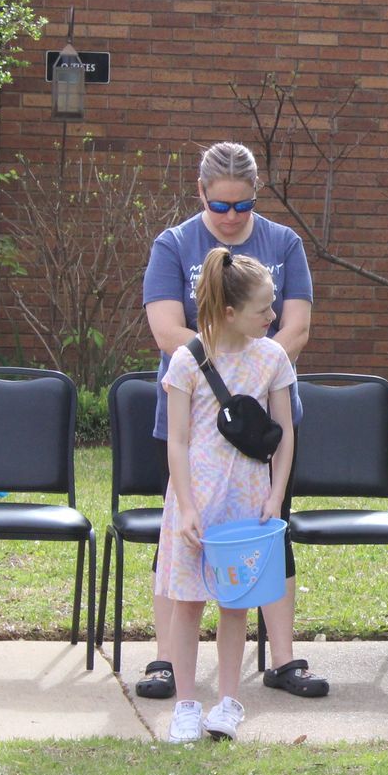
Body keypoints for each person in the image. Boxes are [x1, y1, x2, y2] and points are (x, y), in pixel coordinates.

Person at [142, 142, 326, 700]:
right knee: (184, 541)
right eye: (220, 206)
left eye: (242, 206)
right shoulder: (174, 244)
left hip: (264, 421)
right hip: (196, 422)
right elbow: (166, 328)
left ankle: (283, 658)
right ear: (200, 193)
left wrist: (259, 373)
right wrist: (221, 377)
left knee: (268, 536)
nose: (231, 218)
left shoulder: (283, 243)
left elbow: (294, 327)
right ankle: (167, 662)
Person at [155, 247, 297, 743]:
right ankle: (186, 705)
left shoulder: (272, 357)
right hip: (197, 502)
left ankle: (229, 703)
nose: (273, 316)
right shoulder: (187, 361)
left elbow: (284, 432)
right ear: (231, 313)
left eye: (273, 305)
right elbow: (177, 439)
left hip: (246, 505)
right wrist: (188, 507)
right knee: (188, 603)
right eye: (264, 310)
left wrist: (276, 496)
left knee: (235, 604)